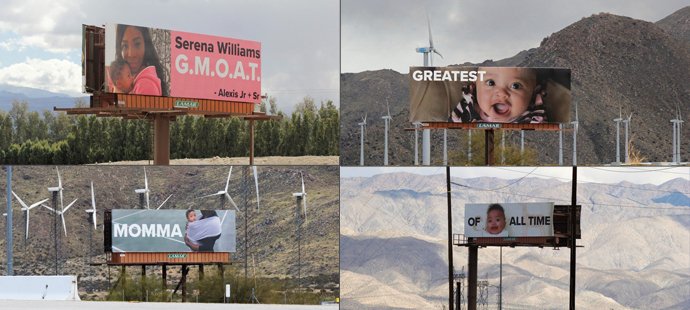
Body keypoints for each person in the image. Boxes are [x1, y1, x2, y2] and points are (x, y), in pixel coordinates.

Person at [450, 67, 547, 123]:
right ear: (475, 86)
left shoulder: (534, 119)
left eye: (515, 86)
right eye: (490, 83)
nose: (501, 93)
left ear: (533, 92)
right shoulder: (467, 107)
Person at [111, 24, 166, 96]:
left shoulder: (146, 84)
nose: (131, 54)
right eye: (125, 46)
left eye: (137, 44)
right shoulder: (123, 77)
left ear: (146, 45)